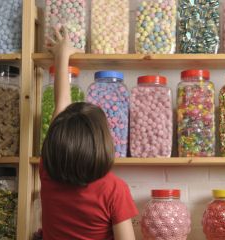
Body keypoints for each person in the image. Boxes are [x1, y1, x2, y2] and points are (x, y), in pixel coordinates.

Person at [40, 26, 138, 240]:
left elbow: (60, 106)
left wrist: (62, 55)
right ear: (103, 143)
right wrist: (63, 56)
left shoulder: (47, 172)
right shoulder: (114, 189)